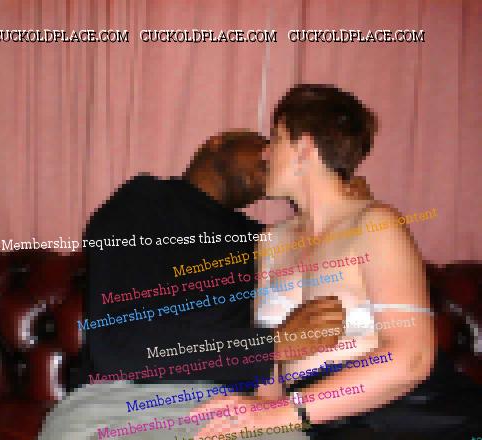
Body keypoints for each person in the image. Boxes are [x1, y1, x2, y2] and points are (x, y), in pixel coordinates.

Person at [191, 85, 481, 439]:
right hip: (317, 420)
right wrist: (251, 411)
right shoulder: (270, 243)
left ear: (304, 147)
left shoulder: (375, 224)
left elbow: (412, 359)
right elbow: (273, 371)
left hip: (401, 412)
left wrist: (284, 413)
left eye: (276, 139)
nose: (265, 152)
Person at [39, 130, 348, 440]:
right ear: (218, 142)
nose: (270, 158)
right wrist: (272, 345)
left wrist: (345, 206)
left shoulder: (264, 241)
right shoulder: (144, 204)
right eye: (263, 146)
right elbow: (118, 344)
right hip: (122, 403)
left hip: (232, 410)